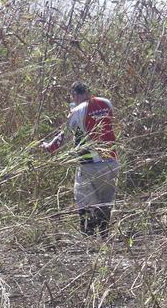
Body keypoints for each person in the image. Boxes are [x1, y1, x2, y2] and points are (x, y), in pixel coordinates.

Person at [41, 81, 119, 238]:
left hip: (89, 165)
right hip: (111, 162)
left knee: (85, 202)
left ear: (75, 95)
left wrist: (49, 147)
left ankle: (88, 241)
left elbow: (65, 136)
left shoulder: (77, 110)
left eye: (73, 96)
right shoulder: (106, 103)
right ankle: (104, 237)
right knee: (105, 202)